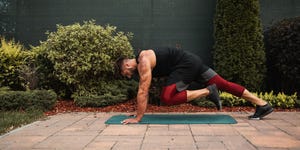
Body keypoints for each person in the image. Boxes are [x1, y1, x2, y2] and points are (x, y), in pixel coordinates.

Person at [115, 47, 273, 124]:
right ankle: (262, 104)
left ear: (126, 66)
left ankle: (208, 91)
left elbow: (143, 91)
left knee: (167, 97)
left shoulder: (143, 61)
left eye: (126, 74)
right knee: (223, 84)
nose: (129, 76)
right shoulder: (143, 58)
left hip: (186, 65)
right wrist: (137, 113)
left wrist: (138, 118)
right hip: (192, 62)